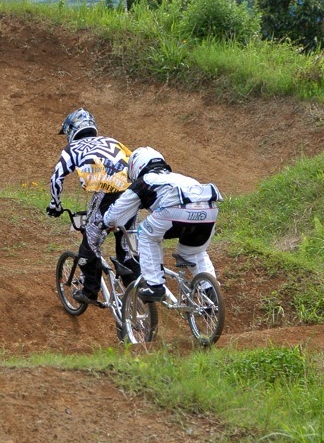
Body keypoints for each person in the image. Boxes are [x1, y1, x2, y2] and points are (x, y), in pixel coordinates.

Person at [103, 147, 222, 303]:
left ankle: (154, 285)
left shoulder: (144, 181)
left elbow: (115, 215)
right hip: (209, 212)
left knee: (145, 234)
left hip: (176, 211)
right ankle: (211, 294)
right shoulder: (182, 178)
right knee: (193, 252)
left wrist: (105, 223)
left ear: (135, 167)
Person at [46, 108, 137, 305]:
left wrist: (55, 204)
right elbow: (135, 162)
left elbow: (56, 178)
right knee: (126, 244)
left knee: (90, 242)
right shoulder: (114, 142)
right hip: (132, 194)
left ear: (71, 130)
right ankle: (136, 287)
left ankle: (89, 291)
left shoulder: (73, 148)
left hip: (108, 193)